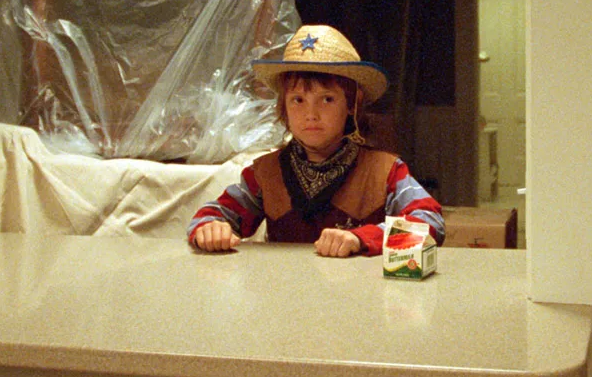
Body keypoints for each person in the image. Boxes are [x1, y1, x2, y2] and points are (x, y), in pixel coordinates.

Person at [187, 25, 444, 257]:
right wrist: (209, 229)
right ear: (284, 106)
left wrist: (361, 238)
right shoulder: (264, 173)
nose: (311, 114)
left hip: (362, 292)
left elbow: (429, 222)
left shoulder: (386, 171)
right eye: (298, 100)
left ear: (352, 104)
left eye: (327, 99)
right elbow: (210, 216)